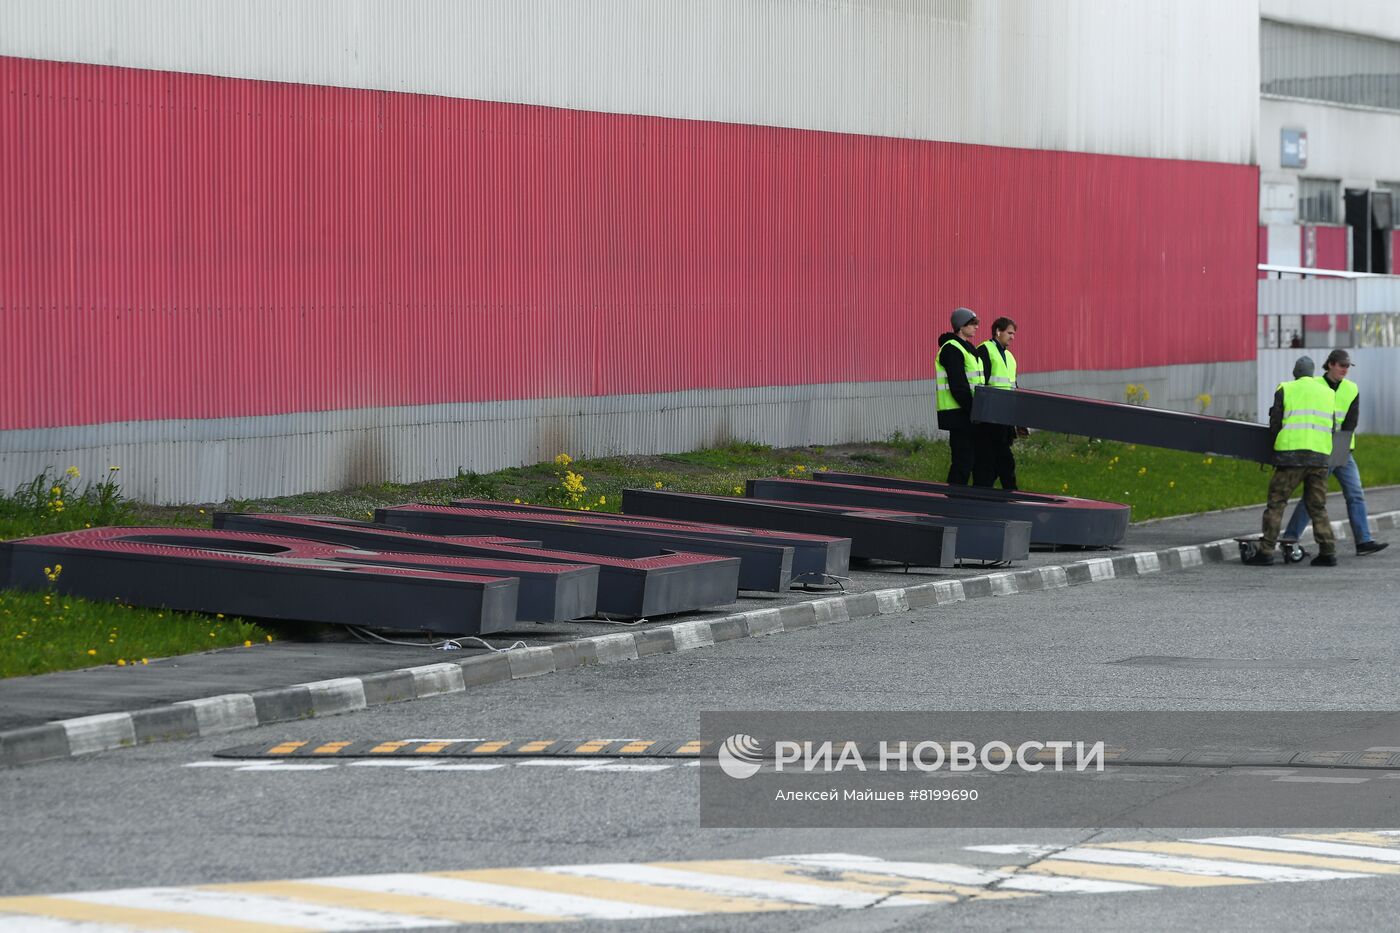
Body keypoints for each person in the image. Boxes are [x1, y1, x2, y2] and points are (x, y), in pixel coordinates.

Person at [1282, 349, 1388, 556]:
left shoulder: (1351, 389)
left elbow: (1351, 421)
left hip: (1342, 448)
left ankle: (1364, 541)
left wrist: (1340, 448)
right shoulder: (1314, 386)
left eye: (1348, 366)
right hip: (1320, 448)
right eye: (1342, 365)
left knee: (1355, 494)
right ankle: (1290, 538)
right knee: (1313, 496)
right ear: (1330, 364)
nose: (1345, 370)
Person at [1244, 355, 1337, 566]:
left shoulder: (1286, 388)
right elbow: (1331, 427)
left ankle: (1266, 551)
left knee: (1276, 503)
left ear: (1296, 372)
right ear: (1312, 373)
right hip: (1319, 457)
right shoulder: (1328, 393)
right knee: (1318, 506)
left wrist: (1272, 449)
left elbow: (1275, 422)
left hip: (1290, 457)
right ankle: (1328, 552)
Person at [935, 307, 983, 485]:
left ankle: (959, 499)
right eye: (972, 324)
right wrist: (974, 410)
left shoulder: (968, 348)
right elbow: (958, 386)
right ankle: (953, 500)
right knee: (962, 461)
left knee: (969, 460)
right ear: (961, 326)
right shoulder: (952, 349)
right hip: (959, 412)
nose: (976, 327)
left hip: (968, 412)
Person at [974, 317, 1019, 489]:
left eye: (1014, 334)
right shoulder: (985, 350)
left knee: (999, 461)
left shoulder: (1010, 357)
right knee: (995, 461)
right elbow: (980, 384)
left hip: (1004, 419)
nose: (1012, 337)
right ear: (998, 332)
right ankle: (1006, 494)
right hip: (989, 418)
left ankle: (989, 494)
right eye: (1009, 333)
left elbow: (1013, 387)